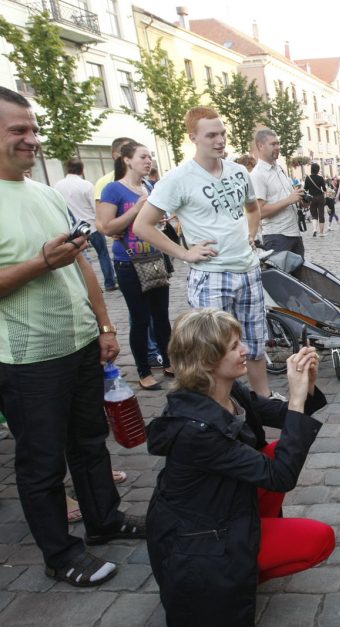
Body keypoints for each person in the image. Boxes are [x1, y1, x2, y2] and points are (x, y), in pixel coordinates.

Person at [0, 86, 145, 588]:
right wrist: (41, 262)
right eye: (18, 130)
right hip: (26, 357)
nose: (32, 140)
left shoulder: (44, 193)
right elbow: (47, 264)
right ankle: (60, 553)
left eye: (33, 129)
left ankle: (104, 521)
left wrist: (104, 326)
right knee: (42, 461)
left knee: (90, 443)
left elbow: (81, 261)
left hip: (80, 341)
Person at [146, 308, 335, 625]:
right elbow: (281, 476)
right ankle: (236, 576)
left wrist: (307, 386)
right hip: (201, 538)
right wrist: (297, 399)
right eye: (234, 346)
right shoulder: (196, 430)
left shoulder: (227, 390)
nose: (245, 349)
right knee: (320, 539)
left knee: (275, 449)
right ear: (207, 361)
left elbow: (279, 415)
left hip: (220, 506)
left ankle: (247, 564)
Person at [133, 106, 279, 399]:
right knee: (212, 350)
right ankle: (221, 407)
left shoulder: (239, 171)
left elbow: (253, 208)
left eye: (222, 133)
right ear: (193, 137)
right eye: (211, 135)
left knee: (254, 343)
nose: (220, 140)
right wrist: (184, 253)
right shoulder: (177, 179)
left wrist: (251, 235)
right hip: (211, 276)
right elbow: (142, 225)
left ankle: (264, 401)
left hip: (248, 271)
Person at [97, 141, 173, 391]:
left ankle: (169, 361)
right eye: (143, 156)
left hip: (153, 258)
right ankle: (143, 370)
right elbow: (108, 227)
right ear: (127, 160)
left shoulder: (149, 186)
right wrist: (138, 209)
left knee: (162, 317)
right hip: (129, 262)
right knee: (140, 318)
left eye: (150, 156)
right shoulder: (113, 189)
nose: (148, 161)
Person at [54, 158, 118, 291]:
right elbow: (95, 207)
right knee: (102, 254)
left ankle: (92, 286)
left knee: (82, 259)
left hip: (73, 228)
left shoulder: (58, 186)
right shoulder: (87, 185)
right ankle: (109, 282)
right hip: (91, 226)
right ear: (82, 170)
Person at [250, 128, 306, 257]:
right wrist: (289, 200)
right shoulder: (258, 175)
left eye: (278, 143)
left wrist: (299, 199)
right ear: (260, 146)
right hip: (277, 238)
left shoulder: (279, 168)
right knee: (283, 277)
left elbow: (287, 198)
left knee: (298, 277)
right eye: (273, 144)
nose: (277, 147)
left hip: (294, 234)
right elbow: (260, 212)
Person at [303, 162, 329, 238]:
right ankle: (321, 232)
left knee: (314, 214)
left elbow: (305, 188)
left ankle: (314, 229)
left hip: (312, 198)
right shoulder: (320, 178)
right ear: (318, 170)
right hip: (320, 198)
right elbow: (324, 189)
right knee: (321, 215)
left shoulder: (308, 178)